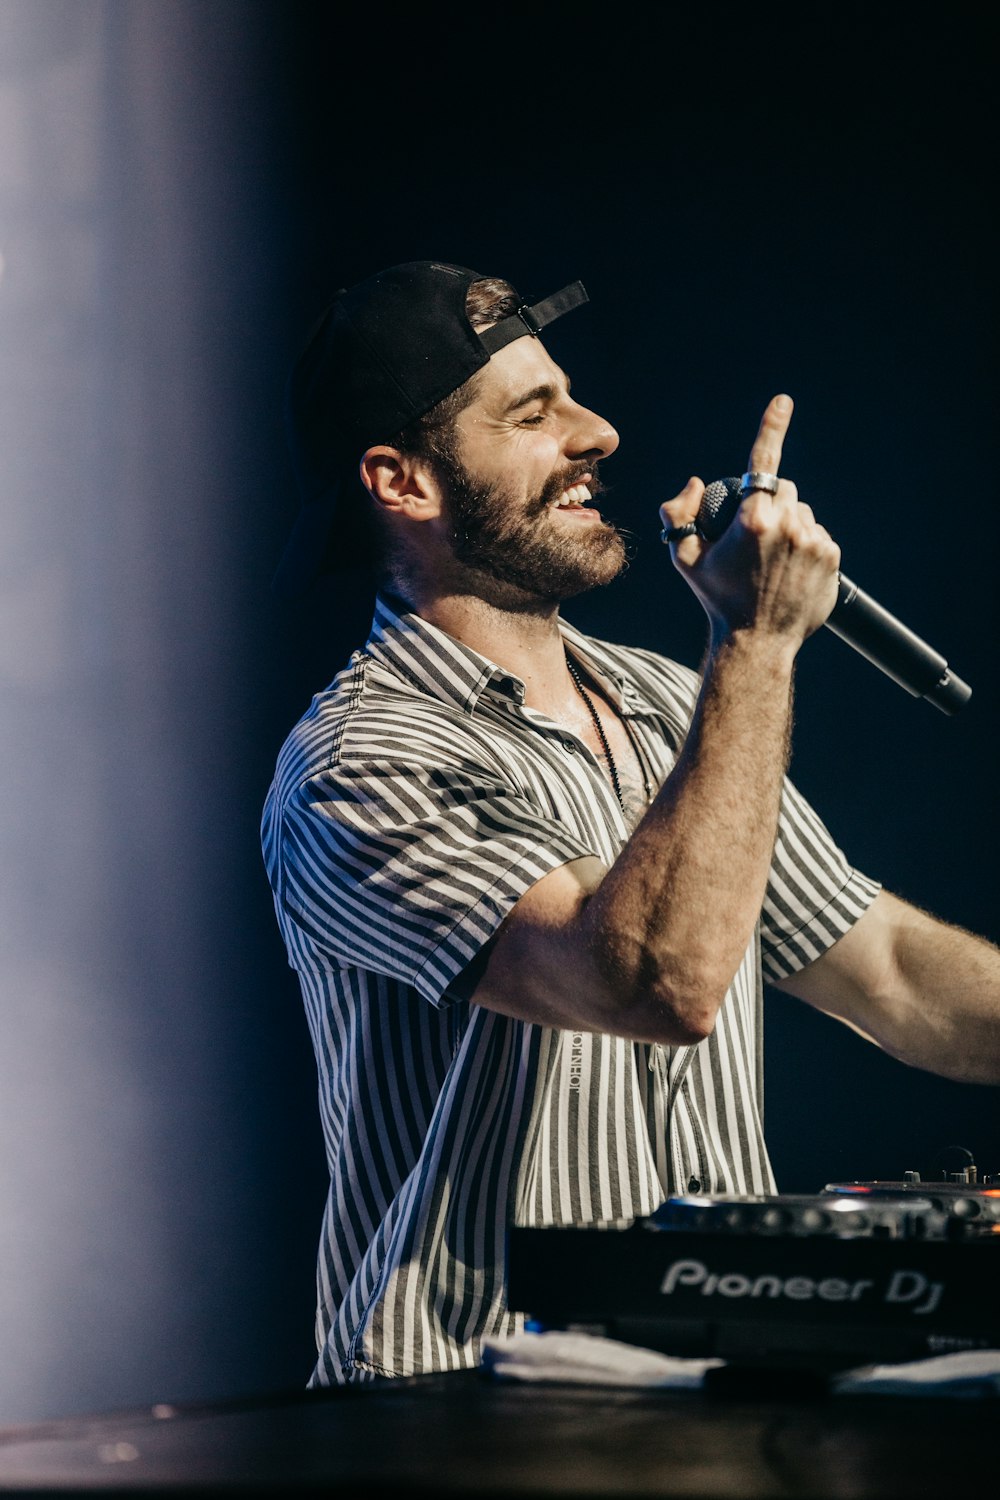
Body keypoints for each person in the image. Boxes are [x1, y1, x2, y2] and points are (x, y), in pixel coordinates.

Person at [262, 261, 1000, 1386]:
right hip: (469, 1414)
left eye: (571, 394)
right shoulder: (357, 761)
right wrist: (755, 646)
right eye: (530, 413)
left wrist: (729, 669)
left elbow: (891, 973)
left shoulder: (665, 703)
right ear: (399, 480)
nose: (596, 431)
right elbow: (651, 983)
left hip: (708, 1389)